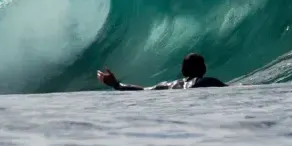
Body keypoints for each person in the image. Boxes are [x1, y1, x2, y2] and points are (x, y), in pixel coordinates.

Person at [97, 53, 227, 90]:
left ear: (182, 70)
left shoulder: (168, 84)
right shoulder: (208, 82)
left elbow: (143, 90)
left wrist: (117, 85)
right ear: (204, 69)